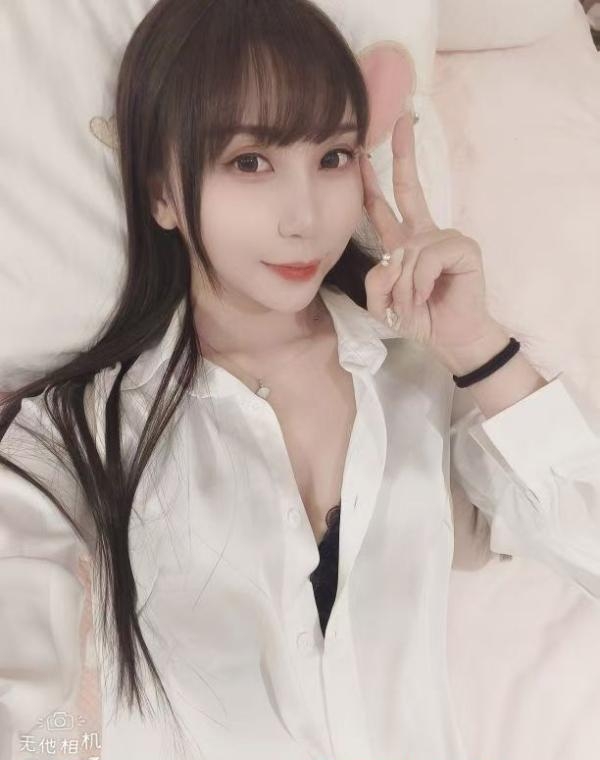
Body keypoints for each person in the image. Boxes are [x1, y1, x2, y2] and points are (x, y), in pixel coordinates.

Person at [2, 0, 600, 758]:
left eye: (334, 157)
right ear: (161, 192)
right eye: (250, 162)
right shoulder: (72, 439)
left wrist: (478, 346)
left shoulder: (420, 379)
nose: (305, 217)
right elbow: (30, 711)